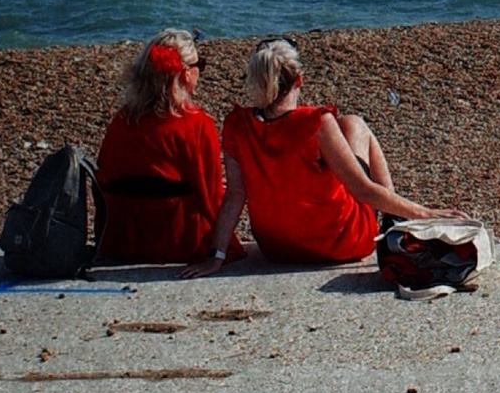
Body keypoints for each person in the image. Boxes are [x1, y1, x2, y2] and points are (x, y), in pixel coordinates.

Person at [209, 38, 428, 268]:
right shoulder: (316, 122)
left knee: (344, 128)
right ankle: (394, 220)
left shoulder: (237, 124)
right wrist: (425, 213)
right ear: (299, 79)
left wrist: (216, 255)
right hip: (338, 243)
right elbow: (362, 189)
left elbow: (235, 194)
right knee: (354, 124)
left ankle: (394, 216)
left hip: (277, 247)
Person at [96, 31, 226, 265]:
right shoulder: (197, 125)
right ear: (186, 74)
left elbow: (104, 175)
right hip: (178, 240)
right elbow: (211, 196)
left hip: (122, 240)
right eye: (200, 65)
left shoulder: (122, 121)